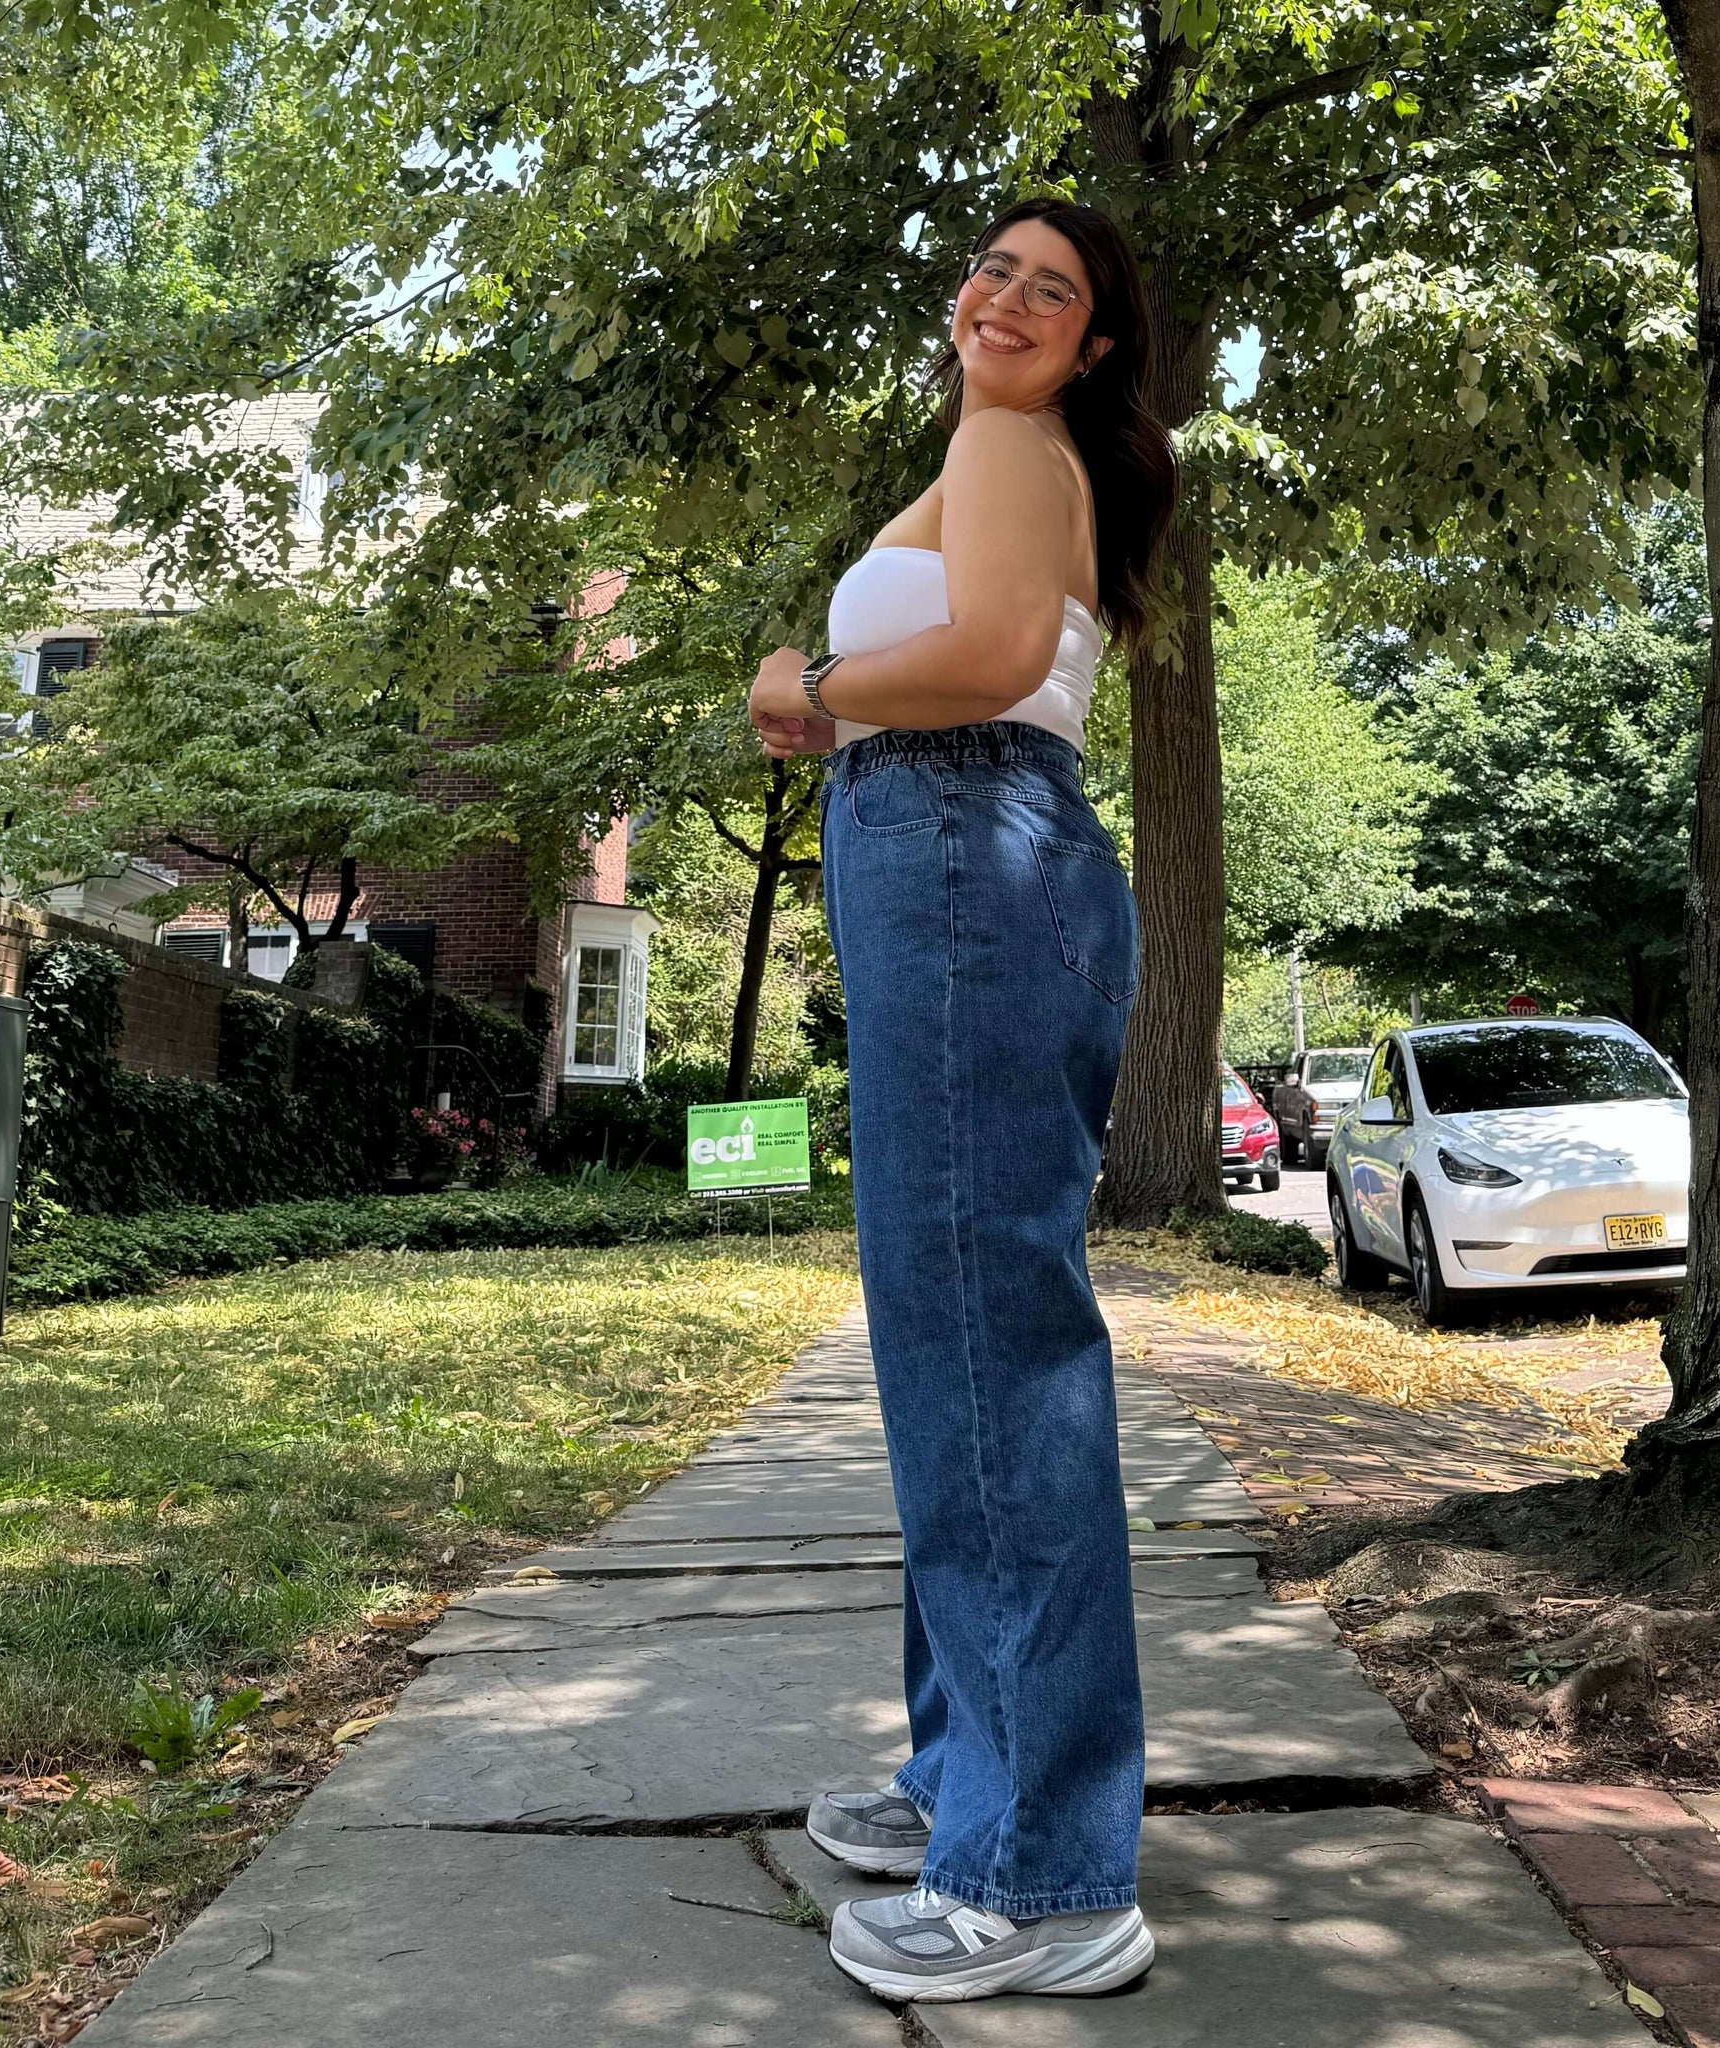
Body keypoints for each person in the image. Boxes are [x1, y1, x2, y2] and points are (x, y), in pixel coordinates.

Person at [746, 196, 1179, 2003]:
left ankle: (1049, 1878)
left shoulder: (1010, 442)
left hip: (964, 859)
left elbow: (994, 652)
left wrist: (810, 682)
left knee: (987, 1343)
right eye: (994, 268)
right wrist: (844, 711)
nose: (1006, 298)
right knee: (958, 1335)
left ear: (1091, 345)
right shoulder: (1000, 450)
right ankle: (965, 1776)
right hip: (970, 864)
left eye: (1050, 289)